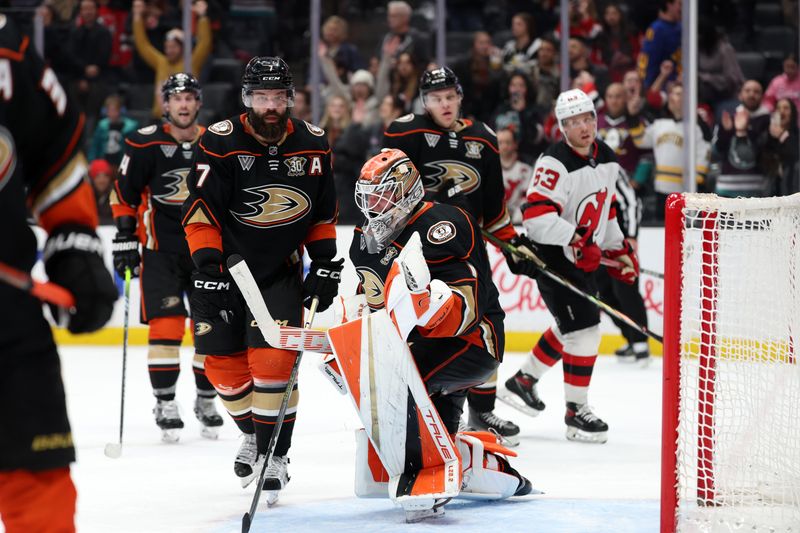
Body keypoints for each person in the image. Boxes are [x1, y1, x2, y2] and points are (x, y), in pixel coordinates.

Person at [181, 57, 341, 503]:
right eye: (261, 97)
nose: (270, 106)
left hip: (278, 273)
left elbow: (322, 211)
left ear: (290, 98)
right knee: (223, 372)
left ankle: (276, 455)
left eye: (278, 97)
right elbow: (199, 208)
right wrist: (208, 262)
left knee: (273, 364)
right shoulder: (219, 141)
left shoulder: (313, 143)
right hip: (226, 270)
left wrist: (324, 260)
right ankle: (253, 433)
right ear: (247, 99)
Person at [348, 148, 532, 516]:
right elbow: (369, 301)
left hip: (473, 340)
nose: (373, 205)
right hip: (421, 346)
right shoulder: (366, 240)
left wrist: (427, 304)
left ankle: (428, 474)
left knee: (398, 385)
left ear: (406, 190)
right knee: (439, 442)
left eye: (381, 194)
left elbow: (466, 307)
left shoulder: (442, 224)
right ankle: (494, 469)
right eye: (368, 196)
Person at [0, 14, 117, 532]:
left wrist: (75, 246)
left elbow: (57, 161)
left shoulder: (10, 51)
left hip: (7, 317)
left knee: (39, 482)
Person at [383, 66, 541, 445]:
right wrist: (437, 203)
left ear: (460, 97)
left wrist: (514, 244)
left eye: (450, 97)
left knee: (487, 319)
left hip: (469, 246)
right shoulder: (406, 132)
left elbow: (494, 209)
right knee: (430, 322)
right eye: (436, 99)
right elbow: (388, 190)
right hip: (420, 249)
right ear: (424, 102)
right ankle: (419, 404)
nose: (445, 104)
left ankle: (482, 412)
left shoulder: (483, 138)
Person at [498, 88, 638, 444]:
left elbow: (604, 211)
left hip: (580, 258)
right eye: (573, 122)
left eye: (587, 118)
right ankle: (577, 412)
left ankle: (523, 382)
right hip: (554, 259)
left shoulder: (605, 156)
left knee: (571, 326)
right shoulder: (553, 163)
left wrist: (617, 248)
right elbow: (536, 219)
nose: (583, 127)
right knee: (585, 330)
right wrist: (578, 239)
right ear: (562, 127)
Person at [110, 73, 223, 443]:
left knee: (210, 330)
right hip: (160, 252)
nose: (184, 104)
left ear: (199, 102)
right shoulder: (143, 143)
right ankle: (166, 403)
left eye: (190, 97)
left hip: (206, 250)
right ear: (166, 104)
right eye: (177, 99)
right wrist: (126, 236)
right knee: (167, 327)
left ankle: (207, 400)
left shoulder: (215, 142)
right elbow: (123, 193)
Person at [131, 0, 212, 118]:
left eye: (173, 47)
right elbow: (143, 45)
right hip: (160, 120)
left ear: (182, 48)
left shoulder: (191, 62)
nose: (169, 50)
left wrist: (203, 17)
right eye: (167, 47)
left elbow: (205, 43)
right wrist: (137, 17)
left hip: (184, 121)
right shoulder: (161, 61)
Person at [637, 0, 681, 89]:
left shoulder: (682, 26)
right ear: (669, 5)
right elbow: (648, 60)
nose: (683, 9)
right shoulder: (657, 29)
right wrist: (648, 87)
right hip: (662, 86)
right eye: (680, 4)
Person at [87, 94, 139, 168]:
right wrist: (92, 161)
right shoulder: (102, 126)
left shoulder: (130, 127)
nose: (112, 113)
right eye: (109, 110)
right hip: (105, 161)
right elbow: (95, 146)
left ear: (120, 110)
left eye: (114, 110)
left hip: (121, 162)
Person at [498, 127, 533, 224]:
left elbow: (526, 198)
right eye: (500, 142)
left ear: (515, 144)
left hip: (520, 220)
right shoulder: (489, 168)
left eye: (508, 142)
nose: (504, 146)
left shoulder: (526, 169)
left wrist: (517, 218)